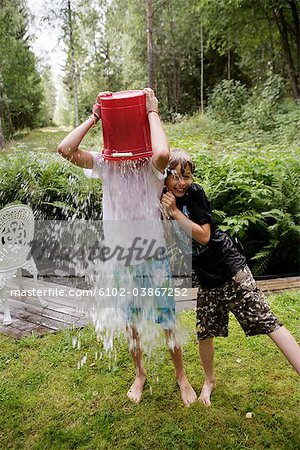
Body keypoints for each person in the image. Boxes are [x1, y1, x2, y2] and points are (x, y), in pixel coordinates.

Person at [57, 89, 197, 406]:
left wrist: (152, 110)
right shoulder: (105, 163)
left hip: (153, 255)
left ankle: (181, 376)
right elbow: (65, 149)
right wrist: (95, 116)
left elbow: (163, 153)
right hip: (120, 258)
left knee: (167, 319)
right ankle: (140, 374)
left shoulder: (150, 164)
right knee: (130, 322)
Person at [161, 148, 300, 406]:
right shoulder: (164, 198)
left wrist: (176, 213)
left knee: (269, 323)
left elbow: (203, 235)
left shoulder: (195, 194)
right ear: (165, 176)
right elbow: (172, 238)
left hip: (232, 271)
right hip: (207, 279)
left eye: (187, 176)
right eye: (176, 176)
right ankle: (209, 380)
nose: (182, 182)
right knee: (205, 332)